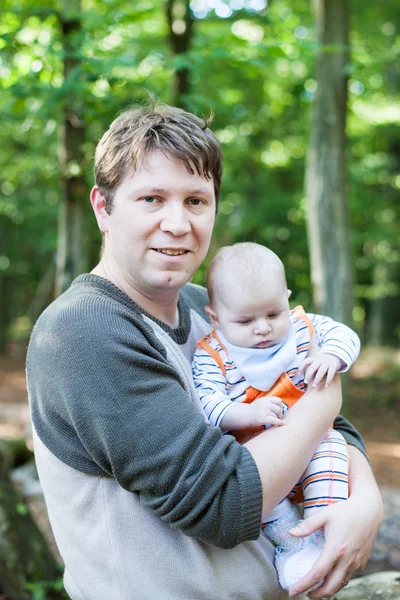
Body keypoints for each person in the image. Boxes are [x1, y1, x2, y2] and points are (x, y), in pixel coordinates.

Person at [26, 102, 383, 600]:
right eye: (151, 198)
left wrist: (365, 500)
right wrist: (325, 397)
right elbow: (222, 502)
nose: (177, 223)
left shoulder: (211, 310)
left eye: (196, 200)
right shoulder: (84, 332)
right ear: (103, 208)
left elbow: (327, 428)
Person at [192, 242, 361, 591]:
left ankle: (322, 527)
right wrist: (247, 412)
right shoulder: (213, 355)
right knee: (268, 504)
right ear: (215, 317)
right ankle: (295, 546)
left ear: (286, 299)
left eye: (273, 313)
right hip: (258, 458)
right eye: (245, 320)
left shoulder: (301, 329)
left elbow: (343, 334)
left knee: (331, 450)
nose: (263, 329)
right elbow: (207, 402)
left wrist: (331, 356)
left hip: (312, 444)